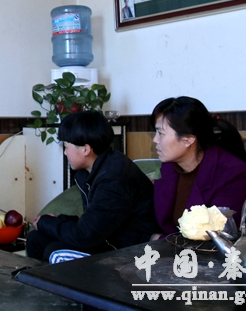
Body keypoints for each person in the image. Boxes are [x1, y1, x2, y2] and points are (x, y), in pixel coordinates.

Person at [26, 111, 159, 262]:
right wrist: (57, 220)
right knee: (36, 239)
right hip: (106, 239)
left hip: (128, 251)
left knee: (55, 251)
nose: (65, 153)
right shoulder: (92, 171)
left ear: (85, 149)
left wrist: (46, 223)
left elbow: (86, 235)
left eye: (66, 146)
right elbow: (93, 222)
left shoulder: (114, 177)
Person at [151, 96, 246, 237]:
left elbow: (220, 235)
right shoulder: (169, 168)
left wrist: (159, 239)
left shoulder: (233, 174)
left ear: (188, 139)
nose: (155, 140)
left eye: (161, 133)